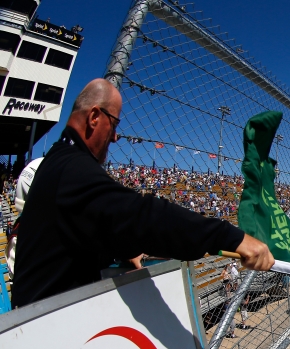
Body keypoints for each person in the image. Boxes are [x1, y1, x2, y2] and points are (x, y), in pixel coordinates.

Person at [11, 79, 274, 308]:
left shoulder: (56, 162)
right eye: (114, 123)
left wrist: (121, 248)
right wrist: (231, 236)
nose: (116, 137)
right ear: (94, 118)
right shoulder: (72, 169)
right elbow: (141, 214)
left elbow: (77, 241)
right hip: (46, 327)